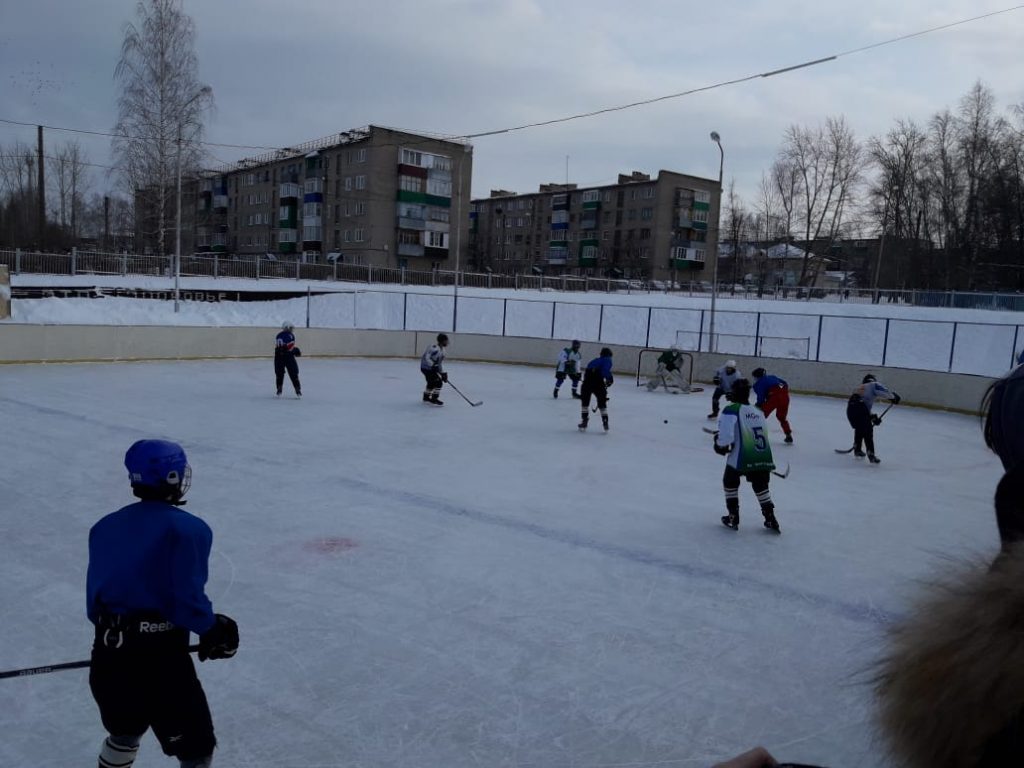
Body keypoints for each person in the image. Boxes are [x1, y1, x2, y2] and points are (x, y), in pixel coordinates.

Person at [87, 439, 239, 768]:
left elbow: (95, 602)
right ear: (170, 476)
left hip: (108, 656)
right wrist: (213, 629)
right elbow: (187, 599)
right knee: (197, 750)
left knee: (124, 734)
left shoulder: (104, 526)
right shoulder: (188, 530)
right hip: (160, 663)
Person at [714, 378, 781, 532]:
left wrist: (718, 443)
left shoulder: (731, 409)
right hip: (762, 457)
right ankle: (771, 518)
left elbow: (726, 439)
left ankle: (733, 517)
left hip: (741, 457)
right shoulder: (758, 411)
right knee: (761, 487)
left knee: (730, 481)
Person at [846, 374, 900, 464]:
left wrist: (872, 417)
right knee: (868, 430)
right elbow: (882, 389)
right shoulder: (873, 384)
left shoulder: (861, 389)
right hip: (859, 408)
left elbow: (864, 409)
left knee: (860, 428)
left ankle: (857, 448)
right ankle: (871, 455)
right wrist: (893, 397)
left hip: (851, 410)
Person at [751, 367, 793, 444]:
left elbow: (761, 396)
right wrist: (781, 391)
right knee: (781, 417)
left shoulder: (760, 382)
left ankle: (757, 436)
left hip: (774, 397)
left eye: (754, 377)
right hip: (785, 396)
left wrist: (759, 404)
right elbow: (784, 384)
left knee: (760, 416)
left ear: (757, 376)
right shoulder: (772, 377)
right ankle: (788, 435)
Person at [579, 347, 613, 432]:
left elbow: (587, 372)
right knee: (602, 403)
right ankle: (605, 421)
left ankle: (584, 421)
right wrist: (609, 378)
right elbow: (604, 371)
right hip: (598, 382)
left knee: (585, 402)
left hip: (587, 382)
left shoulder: (594, 361)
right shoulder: (607, 360)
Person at [274, 321, 302, 398]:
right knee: (293, 372)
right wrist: (296, 350)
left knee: (279, 373)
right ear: (287, 327)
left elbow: (279, 347)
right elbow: (289, 348)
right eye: (291, 328)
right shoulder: (290, 335)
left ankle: (279, 389)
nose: (292, 330)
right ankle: (297, 389)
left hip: (278, 356)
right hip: (288, 356)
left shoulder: (278, 335)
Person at [421, 332, 449, 406]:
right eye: (446, 340)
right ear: (442, 341)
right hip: (425, 368)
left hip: (432, 368)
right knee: (438, 382)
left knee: (431, 382)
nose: (447, 342)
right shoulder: (433, 347)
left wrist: (442, 373)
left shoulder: (443, 352)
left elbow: (439, 363)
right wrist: (432, 365)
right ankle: (434, 398)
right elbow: (426, 357)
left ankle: (426, 397)